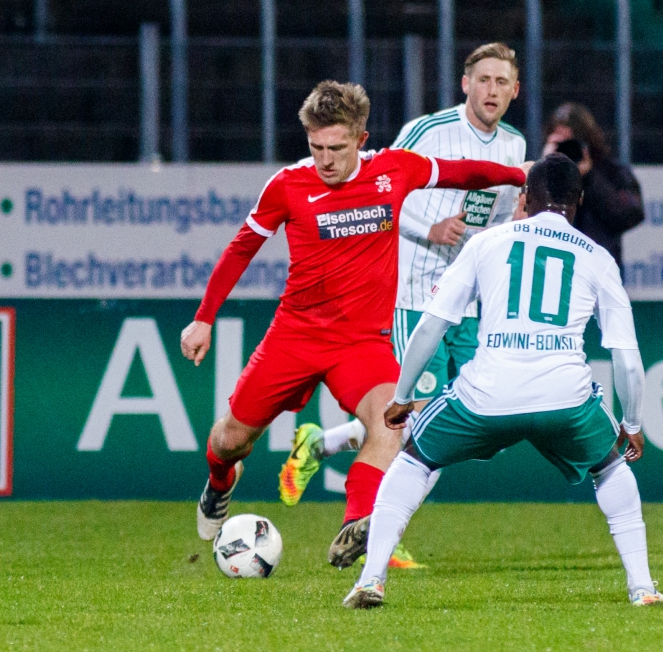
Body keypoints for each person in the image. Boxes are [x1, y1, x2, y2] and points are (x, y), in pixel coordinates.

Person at [180, 81, 528, 568]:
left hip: (362, 344)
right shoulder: (288, 185)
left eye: (337, 148)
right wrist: (203, 319)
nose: (325, 159)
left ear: (361, 140)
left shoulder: (394, 170)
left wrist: (519, 173)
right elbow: (241, 249)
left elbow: (462, 172)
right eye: (316, 147)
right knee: (231, 440)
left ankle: (357, 523)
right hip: (295, 337)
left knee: (392, 422)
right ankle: (220, 482)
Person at [342, 154, 663, 609]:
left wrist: (402, 395)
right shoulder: (597, 257)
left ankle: (371, 580)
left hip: (486, 396)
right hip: (564, 399)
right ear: (578, 201)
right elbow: (627, 358)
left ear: (525, 198)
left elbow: (432, 324)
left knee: (413, 460)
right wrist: (631, 423)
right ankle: (643, 588)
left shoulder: (486, 243)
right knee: (611, 468)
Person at [277, 43, 527, 529]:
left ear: (515, 90)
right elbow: (376, 186)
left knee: (478, 416)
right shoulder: (429, 131)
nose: (491, 89)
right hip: (416, 296)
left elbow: (497, 218)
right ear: (465, 84)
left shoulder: (514, 145)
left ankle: (321, 443)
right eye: (483, 79)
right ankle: (379, 529)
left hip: (470, 304)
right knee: (417, 422)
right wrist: (429, 228)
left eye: (501, 82)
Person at [543, 102, 644, 268]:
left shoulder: (610, 171)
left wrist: (589, 177)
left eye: (572, 143)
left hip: (597, 267)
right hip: (555, 265)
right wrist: (546, 168)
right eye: (562, 144)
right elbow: (529, 215)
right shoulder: (543, 172)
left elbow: (631, 213)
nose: (569, 150)